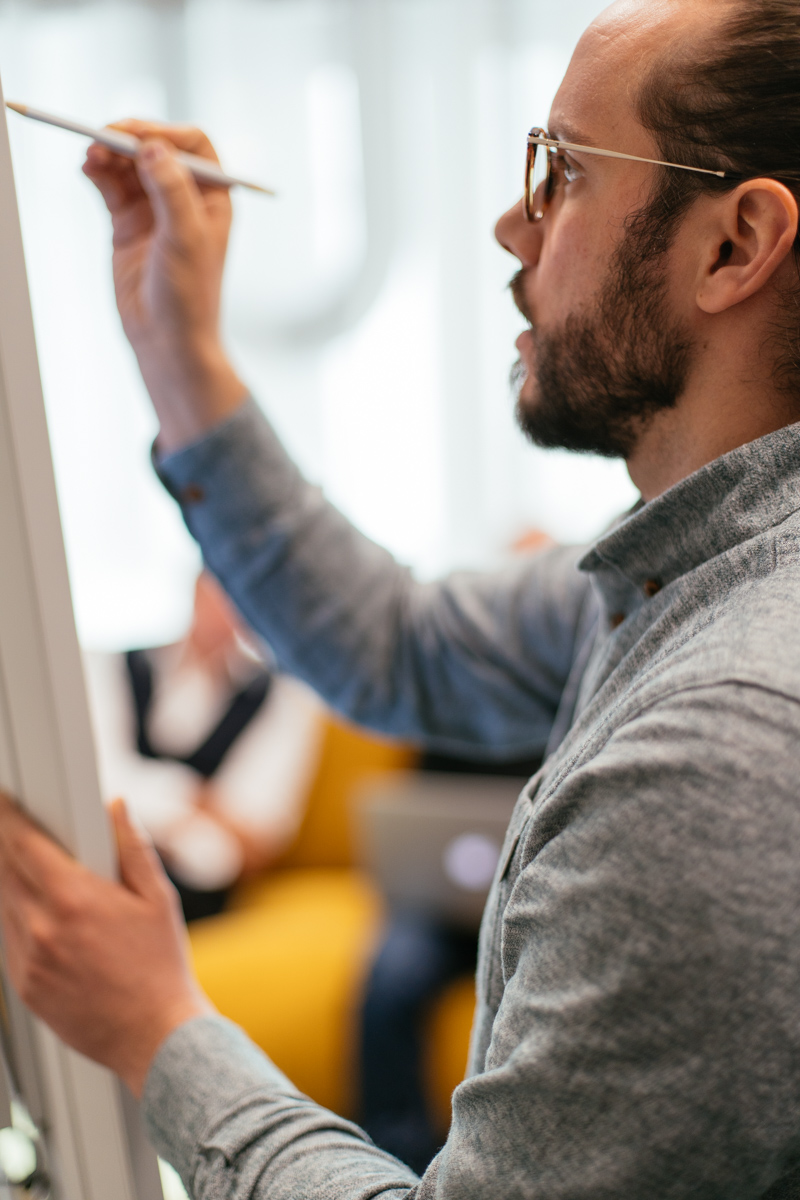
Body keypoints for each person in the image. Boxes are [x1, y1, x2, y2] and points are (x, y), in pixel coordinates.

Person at [3, 0, 800, 1195]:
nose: (508, 226)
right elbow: (400, 644)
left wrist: (157, 1026)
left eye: (560, 173)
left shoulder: (721, 746)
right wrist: (180, 350)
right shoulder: (675, 572)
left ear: (733, 247)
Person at [84, 570, 324, 921]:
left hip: (194, 887)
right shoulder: (117, 667)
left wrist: (149, 799)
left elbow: (256, 840)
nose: (225, 609)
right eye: (217, 592)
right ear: (195, 590)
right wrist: (192, 799)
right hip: (109, 853)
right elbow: (96, 777)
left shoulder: (281, 700)